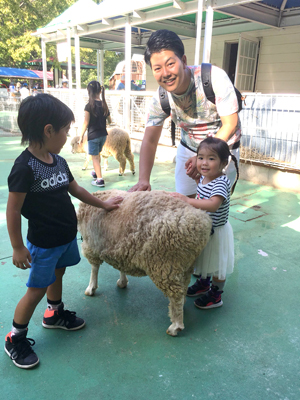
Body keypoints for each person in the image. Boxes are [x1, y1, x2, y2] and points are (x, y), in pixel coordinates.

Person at [5, 93, 123, 369]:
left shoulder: (57, 161)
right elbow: (12, 210)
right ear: (48, 131)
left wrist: (103, 204)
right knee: (35, 289)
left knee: (59, 273)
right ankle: (15, 338)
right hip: (44, 243)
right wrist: (17, 247)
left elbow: (77, 189)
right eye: (66, 131)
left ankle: (54, 313)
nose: (69, 137)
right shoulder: (24, 168)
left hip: (65, 236)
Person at [129, 29, 241, 197]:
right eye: (157, 68)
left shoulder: (214, 78)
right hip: (188, 148)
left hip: (222, 148)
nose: (165, 73)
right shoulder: (160, 99)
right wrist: (143, 179)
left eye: (170, 64)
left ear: (183, 61)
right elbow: (150, 140)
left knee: (214, 209)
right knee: (185, 204)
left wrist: (204, 157)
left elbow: (230, 123)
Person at [170, 137, 238, 309]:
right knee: (204, 259)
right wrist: (195, 181)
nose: (204, 163)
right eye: (200, 157)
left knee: (216, 264)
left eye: (211, 158)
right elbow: (202, 193)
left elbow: (213, 204)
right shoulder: (204, 178)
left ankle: (216, 295)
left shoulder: (221, 183)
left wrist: (186, 200)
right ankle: (203, 284)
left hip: (216, 231)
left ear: (223, 163)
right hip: (204, 228)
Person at [79, 81, 112, 187]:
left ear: (89, 91)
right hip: (103, 135)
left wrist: (81, 136)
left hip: (93, 136)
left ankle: (99, 180)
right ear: (100, 91)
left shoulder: (89, 106)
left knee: (95, 157)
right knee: (97, 155)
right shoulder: (104, 105)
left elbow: (86, 122)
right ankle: (96, 172)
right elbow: (110, 121)